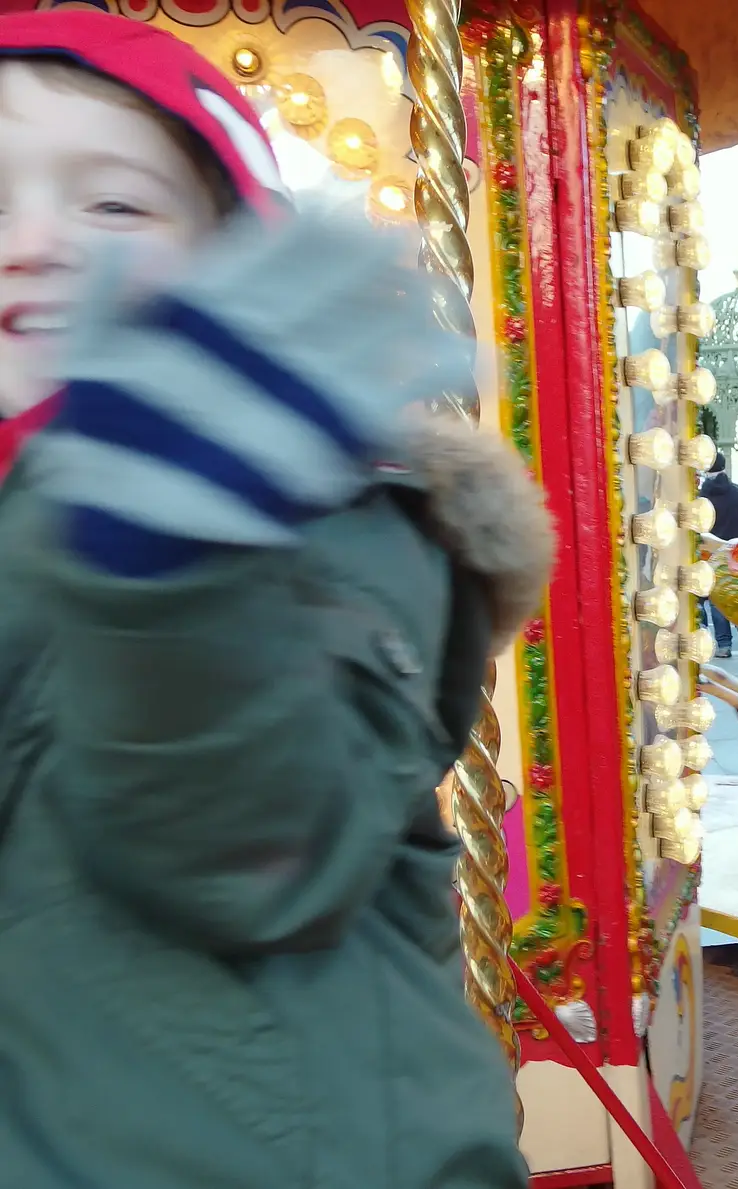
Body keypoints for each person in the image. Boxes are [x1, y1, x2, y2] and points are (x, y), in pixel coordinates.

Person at [0, 14, 549, 1187]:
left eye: (113, 206)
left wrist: (173, 561)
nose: (34, 243)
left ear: (234, 261)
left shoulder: (335, 526)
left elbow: (250, 853)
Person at [697, 451, 738, 657]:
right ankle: (733, 634)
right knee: (734, 594)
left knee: (705, 599)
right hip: (736, 552)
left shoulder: (700, 498)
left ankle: (712, 642)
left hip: (707, 553)